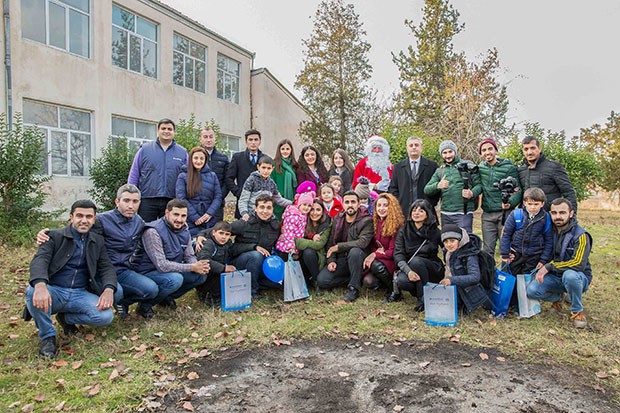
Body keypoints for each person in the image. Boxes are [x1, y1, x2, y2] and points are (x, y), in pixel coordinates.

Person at [35, 185, 162, 319]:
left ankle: (122, 303)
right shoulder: (100, 220)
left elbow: (156, 229)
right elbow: (76, 228)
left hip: (122, 270)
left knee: (151, 289)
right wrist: (47, 234)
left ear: (139, 203)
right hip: (100, 271)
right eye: (126, 200)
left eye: (135, 201)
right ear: (117, 202)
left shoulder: (139, 222)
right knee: (116, 292)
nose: (130, 206)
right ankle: (74, 312)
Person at [25, 200, 118, 357]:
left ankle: (66, 319)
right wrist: (40, 285)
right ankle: (48, 337)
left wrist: (109, 289)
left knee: (105, 316)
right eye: (79, 215)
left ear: (94, 219)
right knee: (31, 291)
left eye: (89, 216)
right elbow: (40, 261)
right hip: (54, 291)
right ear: (71, 217)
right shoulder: (54, 236)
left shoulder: (97, 241)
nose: (84, 220)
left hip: (80, 293)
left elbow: (106, 267)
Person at [131, 199, 210, 318]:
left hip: (170, 270)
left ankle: (165, 298)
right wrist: (192, 267)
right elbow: (162, 265)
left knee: (200, 275)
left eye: (183, 216)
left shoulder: (184, 230)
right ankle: (144, 305)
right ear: (167, 213)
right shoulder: (152, 231)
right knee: (175, 279)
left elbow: (189, 255)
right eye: (176, 214)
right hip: (147, 272)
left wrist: (197, 266)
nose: (179, 219)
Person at [526, 198, 592, 328]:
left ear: (571, 214)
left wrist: (549, 267)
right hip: (556, 276)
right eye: (554, 213)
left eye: (562, 212)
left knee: (570, 276)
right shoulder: (549, 231)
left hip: (578, 276)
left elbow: (578, 264)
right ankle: (558, 298)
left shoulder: (581, 235)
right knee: (532, 290)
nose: (558, 216)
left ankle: (577, 311)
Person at [316, 191, 374, 302]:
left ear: (358, 204)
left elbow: (363, 242)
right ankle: (355, 279)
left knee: (355, 251)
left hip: (359, 258)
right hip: (342, 258)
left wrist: (339, 247)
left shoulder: (366, 220)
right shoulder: (338, 219)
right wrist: (331, 260)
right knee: (322, 280)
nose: (350, 205)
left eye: (353, 202)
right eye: (347, 202)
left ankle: (353, 288)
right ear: (342, 204)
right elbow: (331, 243)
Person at [128, 119, 188, 222]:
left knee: (169, 229)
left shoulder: (182, 153)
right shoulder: (144, 150)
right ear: (158, 131)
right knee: (144, 228)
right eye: (163, 128)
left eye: (169, 129)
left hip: (172, 200)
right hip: (147, 198)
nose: (166, 131)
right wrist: (131, 195)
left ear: (174, 132)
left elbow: (188, 177)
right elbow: (134, 173)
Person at [388, 199, 444, 311]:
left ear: (427, 214)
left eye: (421, 211)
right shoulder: (404, 230)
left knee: (417, 261)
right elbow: (398, 254)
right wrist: (408, 271)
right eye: (414, 210)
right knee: (402, 281)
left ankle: (422, 298)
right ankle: (422, 294)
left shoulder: (435, 231)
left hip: (432, 267)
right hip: (411, 268)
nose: (416, 213)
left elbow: (447, 248)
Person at [476, 137, 522, 255]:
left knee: (507, 248)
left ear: (496, 150)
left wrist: (510, 202)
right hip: (487, 214)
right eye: (484, 150)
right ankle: (489, 268)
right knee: (487, 249)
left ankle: (507, 267)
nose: (487, 152)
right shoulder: (480, 168)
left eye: (490, 149)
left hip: (505, 213)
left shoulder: (509, 167)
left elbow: (518, 190)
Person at [230, 194, 282, 298]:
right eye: (262, 207)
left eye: (268, 208)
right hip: (241, 261)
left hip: (263, 265)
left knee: (280, 284)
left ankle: (255, 282)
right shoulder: (245, 223)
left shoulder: (275, 226)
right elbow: (218, 230)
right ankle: (252, 291)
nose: (265, 211)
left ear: (272, 209)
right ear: (255, 208)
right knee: (256, 255)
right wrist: (201, 235)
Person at [424, 140, 481, 233]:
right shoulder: (440, 171)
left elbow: (479, 185)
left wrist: (472, 193)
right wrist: (438, 185)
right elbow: (427, 189)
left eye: (450, 151)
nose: (448, 155)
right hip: (445, 213)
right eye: (444, 153)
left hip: (464, 212)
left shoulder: (467, 166)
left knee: (465, 239)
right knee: (447, 240)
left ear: (455, 152)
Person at [439, 224, 491, 315]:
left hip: (471, 294)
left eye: (452, 241)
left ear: (460, 240)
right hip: (457, 288)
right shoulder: (448, 253)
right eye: (446, 242)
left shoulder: (470, 255)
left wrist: (451, 280)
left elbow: (475, 277)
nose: (449, 244)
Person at [500, 188, 554, 276]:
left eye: (536, 204)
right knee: (511, 277)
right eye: (530, 204)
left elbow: (549, 240)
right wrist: (505, 254)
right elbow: (506, 235)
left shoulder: (546, 218)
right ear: (525, 203)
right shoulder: (516, 215)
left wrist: (543, 259)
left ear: (542, 204)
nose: (533, 207)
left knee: (528, 280)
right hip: (515, 254)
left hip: (534, 256)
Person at [518, 135, 578, 212]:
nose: (529, 152)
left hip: (550, 215)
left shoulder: (554, 167)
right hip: (527, 216)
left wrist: (572, 215)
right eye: (526, 149)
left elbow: (568, 192)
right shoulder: (521, 170)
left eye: (533, 148)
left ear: (539, 148)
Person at [362, 193, 404, 293]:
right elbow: (372, 245)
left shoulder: (396, 225)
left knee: (375, 265)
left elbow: (393, 251)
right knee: (368, 281)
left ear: (391, 207)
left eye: (385, 205)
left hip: (392, 261)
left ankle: (393, 289)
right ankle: (383, 283)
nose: (381, 208)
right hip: (380, 258)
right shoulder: (374, 222)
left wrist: (375, 254)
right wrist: (377, 252)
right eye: (379, 205)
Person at [175, 147, 222, 236]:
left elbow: (218, 196)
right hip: (190, 220)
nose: (199, 161)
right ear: (191, 159)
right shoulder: (183, 176)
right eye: (196, 158)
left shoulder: (212, 176)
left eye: (201, 158)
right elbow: (181, 198)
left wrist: (209, 213)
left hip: (209, 219)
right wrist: (195, 217)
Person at [388, 136, 439, 217]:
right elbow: (393, 188)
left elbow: (436, 189)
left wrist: (429, 204)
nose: (414, 147)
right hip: (404, 212)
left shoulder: (432, 166)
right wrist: (400, 203)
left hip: (426, 211)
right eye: (411, 145)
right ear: (407, 148)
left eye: (416, 145)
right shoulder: (398, 167)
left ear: (421, 147)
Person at [195, 221, 236, 307]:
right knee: (212, 272)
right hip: (205, 273)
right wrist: (224, 268)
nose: (223, 237)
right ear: (214, 232)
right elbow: (203, 260)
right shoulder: (208, 243)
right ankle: (206, 295)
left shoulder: (228, 244)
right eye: (221, 233)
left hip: (219, 272)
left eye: (227, 234)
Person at [238, 155, 292, 220]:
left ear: (272, 168)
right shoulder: (251, 180)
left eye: (269, 168)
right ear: (258, 167)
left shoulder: (271, 183)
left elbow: (279, 199)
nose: (266, 171)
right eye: (263, 167)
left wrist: (293, 203)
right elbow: (243, 200)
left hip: (266, 215)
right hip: (252, 215)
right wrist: (244, 213)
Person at [226, 129, 264, 218]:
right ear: (246, 142)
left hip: (261, 203)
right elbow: (229, 178)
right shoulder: (238, 158)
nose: (253, 142)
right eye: (250, 140)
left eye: (256, 140)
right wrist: (239, 192)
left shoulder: (265, 159)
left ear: (259, 141)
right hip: (243, 203)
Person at [295, 199, 332, 287]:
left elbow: (318, 244)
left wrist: (295, 240)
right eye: (312, 209)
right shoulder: (302, 221)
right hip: (300, 257)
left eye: (318, 210)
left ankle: (316, 280)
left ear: (322, 212)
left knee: (308, 251)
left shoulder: (326, 224)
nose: (314, 213)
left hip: (318, 258)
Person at [199, 128, 229, 222]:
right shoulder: (195, 157)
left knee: (217, 229)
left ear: (215, 139)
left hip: (218, 204)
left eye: (211, 137)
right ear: (200, 139)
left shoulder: (223, 158)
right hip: (199, 203)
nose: (208, 140)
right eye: (205, 137)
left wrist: (219, 197)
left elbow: (227, 180)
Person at [275, 191, 314, 256]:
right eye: (304, 204)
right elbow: (289, 232)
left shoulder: (303, 215)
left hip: (294, 244)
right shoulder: (294, 216)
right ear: (299, 204)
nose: (306, 207)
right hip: (286, 247)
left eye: (309, 206)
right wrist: (290, 247)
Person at [271, 139, 299, 220]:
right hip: (278, 201)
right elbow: (271, 182)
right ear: (279, 150)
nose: (285, 151)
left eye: (287, 149)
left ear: (291, 150)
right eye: (283, 149)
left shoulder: (295, 165)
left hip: (293, 200)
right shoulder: (274, 164)